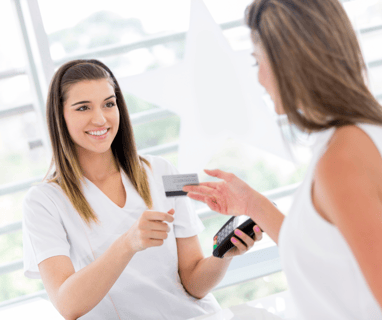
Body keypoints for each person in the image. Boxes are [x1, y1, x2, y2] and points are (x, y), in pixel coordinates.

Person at [183, 0, 382, 319]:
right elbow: (328, 257)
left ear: (287, 62)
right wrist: (253, 206)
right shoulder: (352, 137)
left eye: (256, 61)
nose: (259, 79)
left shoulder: (342, 157)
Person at [22, 59, 264, 320]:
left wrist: (222, 255)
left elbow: (193, 283)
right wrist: (128, 243)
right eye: (83, 107)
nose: (100, 118)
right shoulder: (42, 202)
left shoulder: (164, 171)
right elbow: (68, 305)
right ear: (60, 116)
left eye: (109, 104)